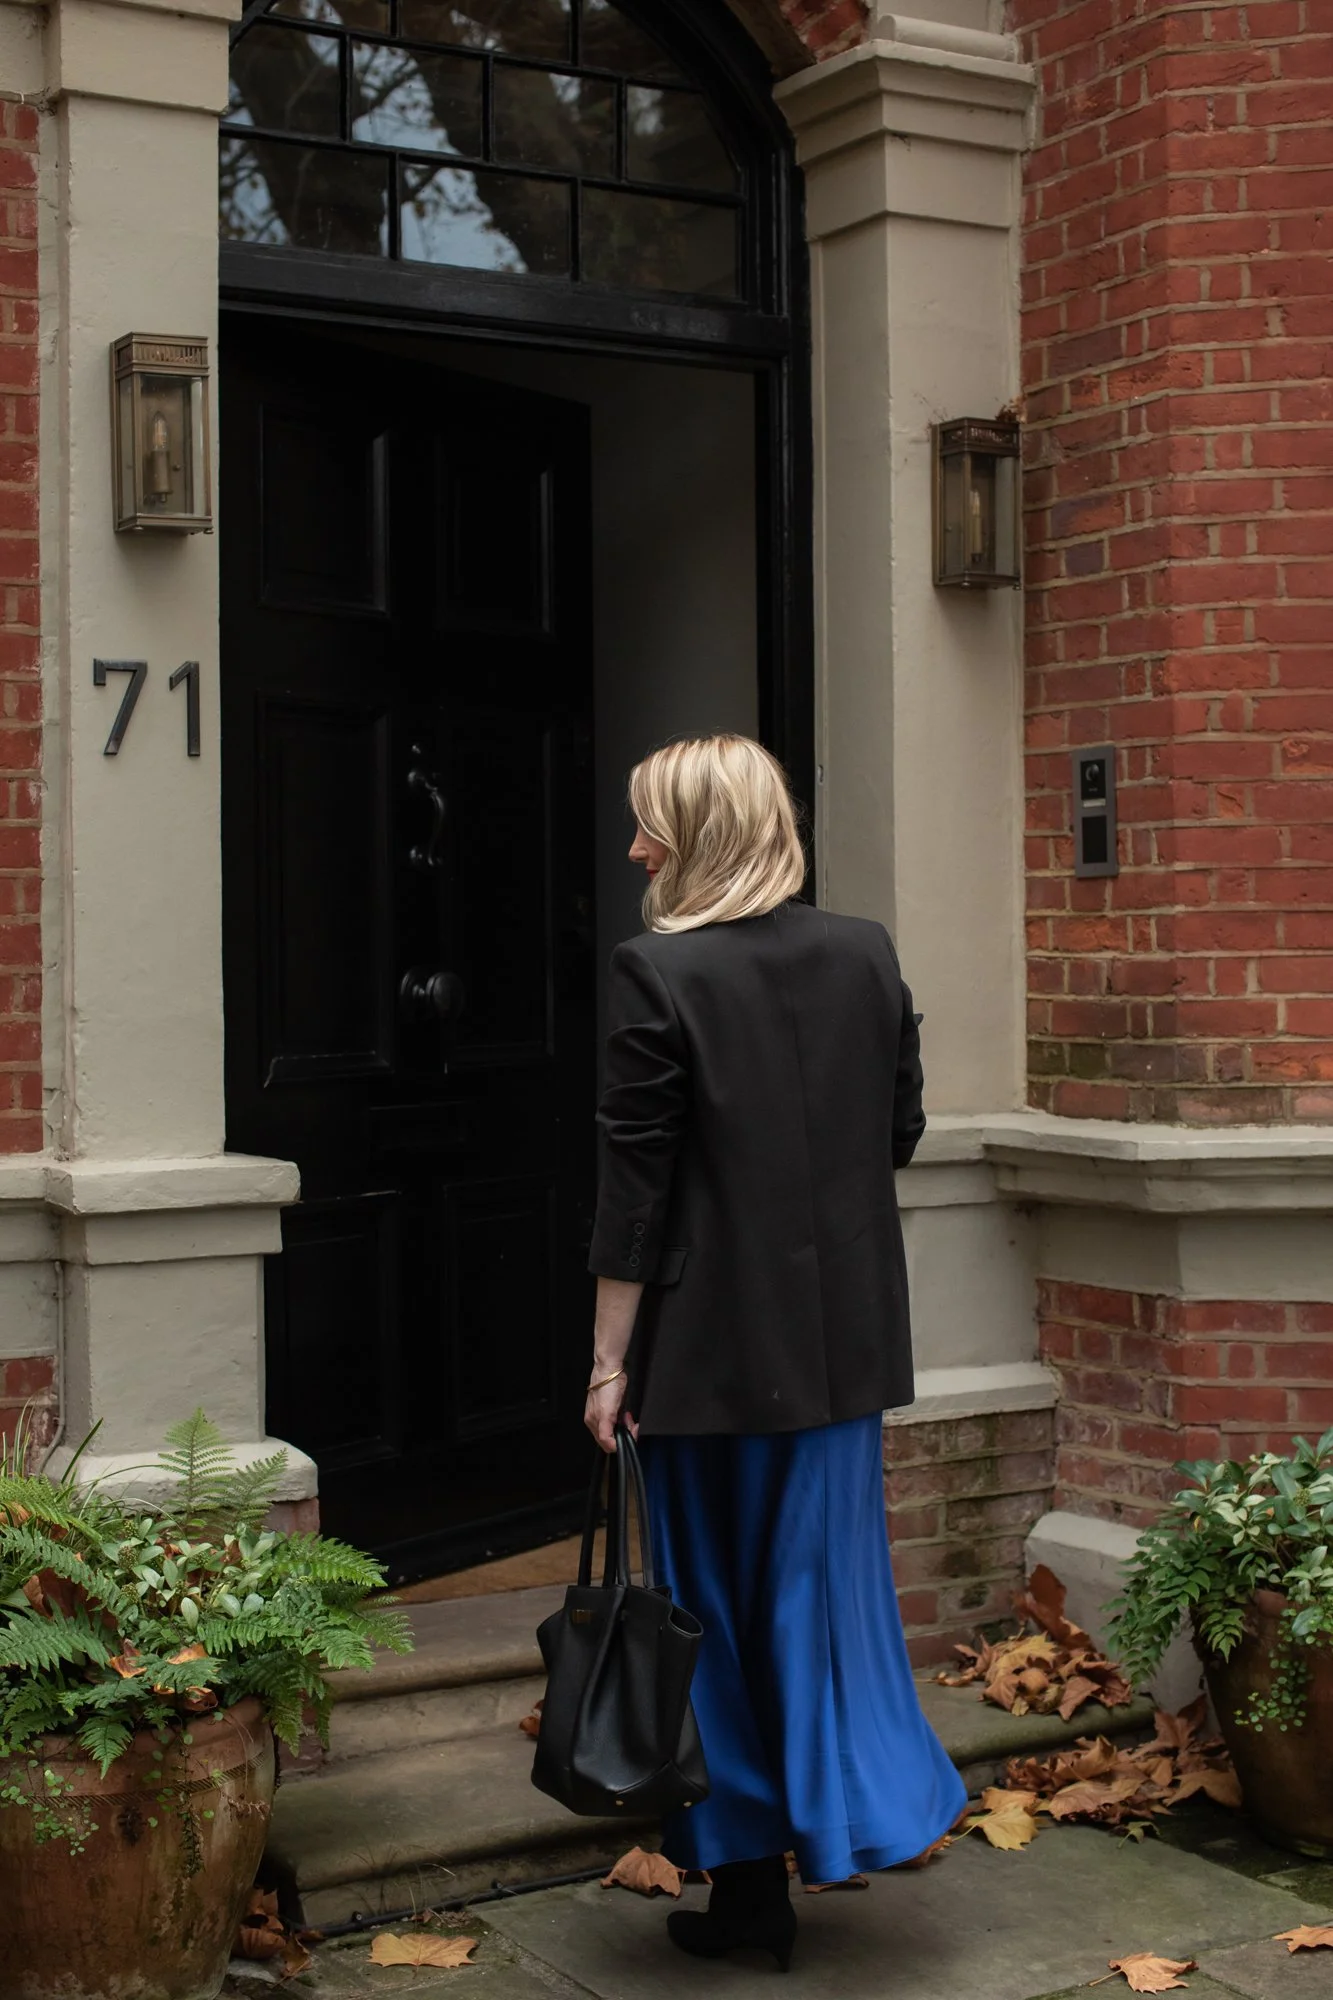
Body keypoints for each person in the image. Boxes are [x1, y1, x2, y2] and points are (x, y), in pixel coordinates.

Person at [583, 734, 967, 1973]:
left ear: (700, 834)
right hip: (843, 1349)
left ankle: (751, 1895)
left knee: (713, 1616)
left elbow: (634, 1192)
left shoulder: (656, 970)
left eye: (651, 825)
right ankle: (841, 1831)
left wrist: (605, 1363)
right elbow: (897, 1127)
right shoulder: (866, 951)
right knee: (819, 1598)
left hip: (706, 1356)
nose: (635, 847)